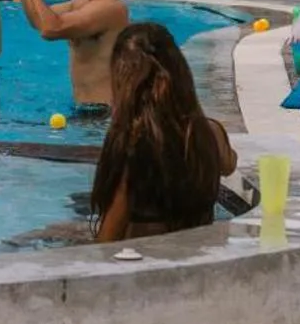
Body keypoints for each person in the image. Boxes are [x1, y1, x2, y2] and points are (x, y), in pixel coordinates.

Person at [89, 22, 238, 243]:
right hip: (198, 254)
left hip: (143, 261)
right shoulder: (211, 133)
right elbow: (230, 164)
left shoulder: (133, 147)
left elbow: (107, 240)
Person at [4, 0, 128, 111]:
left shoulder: (110, 9)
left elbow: (50, 29)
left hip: (103, 115)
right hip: (86, 110)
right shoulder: (82, 2)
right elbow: (37, 20)